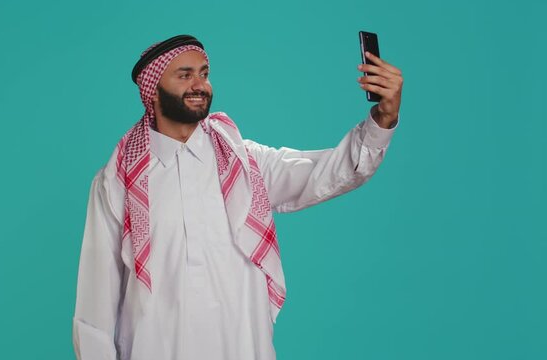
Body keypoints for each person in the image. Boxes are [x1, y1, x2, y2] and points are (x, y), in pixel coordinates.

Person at [73, 34, 403, 360]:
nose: (199, 85)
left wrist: (383, 119)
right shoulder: (118, 182)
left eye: (204, 73)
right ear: (153, 92)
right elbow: (95, 309)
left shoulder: (244, 164)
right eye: (184, 75)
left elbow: (331, 171)